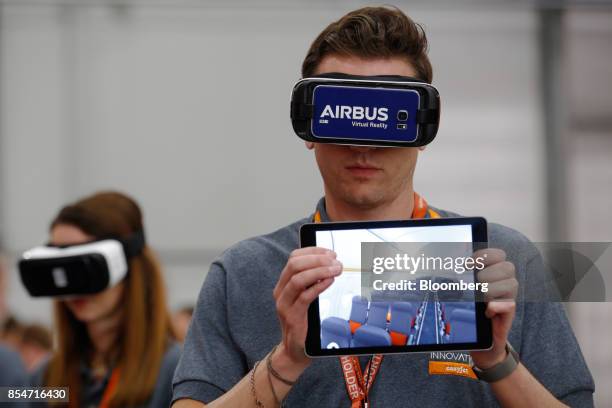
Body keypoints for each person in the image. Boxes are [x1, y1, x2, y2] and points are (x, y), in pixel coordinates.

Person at [172, 6, 594, 407]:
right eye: (345, 116)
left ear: (423, 129)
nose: (364, 144)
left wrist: (497, 362)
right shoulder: (244, 273)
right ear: (309, 126)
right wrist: (286, 360)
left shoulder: (500, 261)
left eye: (387, 119)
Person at [29, 191, 179, 407]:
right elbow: (11, 396)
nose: (73, 287)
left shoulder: (176, 372)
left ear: (124, 266)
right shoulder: (47, 379)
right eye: (62, 268)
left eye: (84, 268)